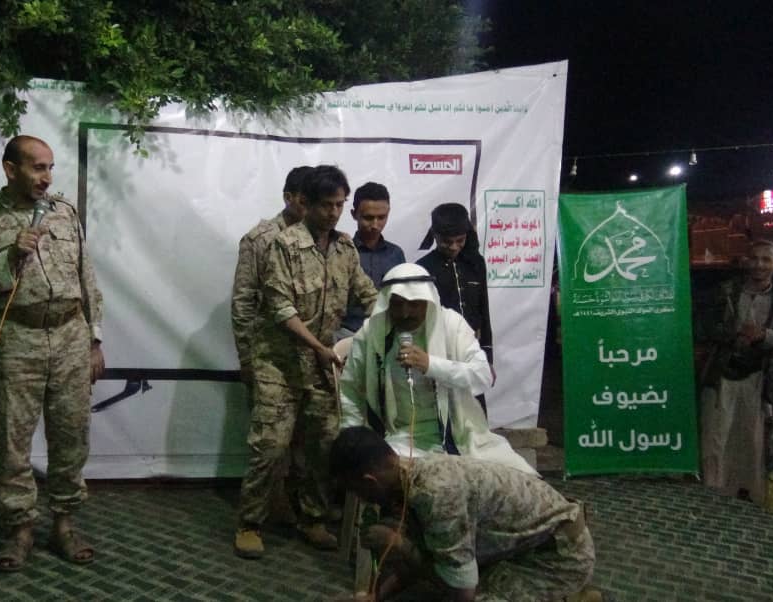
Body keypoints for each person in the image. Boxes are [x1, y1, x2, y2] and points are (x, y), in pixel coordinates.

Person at [0, 135, 105, 571]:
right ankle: (19, 528)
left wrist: (94, 339)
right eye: (38, 167)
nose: (46, 177)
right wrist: (6, 257)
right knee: (13, 438)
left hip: (71, 334)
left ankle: (64, 524)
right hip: (18, 335)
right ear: (10, 169)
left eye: (50, 168)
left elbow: (87, 277)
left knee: (71, 433)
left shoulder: (64, 212)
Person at [234, 165, 377, 558]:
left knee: (323, 443)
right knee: (270, 445)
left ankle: (312, 518)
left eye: (340, 204)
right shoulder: (282, 245)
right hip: (278, 363)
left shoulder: (345, 249)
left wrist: (396, 314)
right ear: (307, 203)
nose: (334, 212)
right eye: (327, 205)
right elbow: (280, 308)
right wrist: (318, 346)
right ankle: (250, 523)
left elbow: (367, 293)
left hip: (321, 364)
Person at [331, 426, 600, 602]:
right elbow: (427, 551)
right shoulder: (407, 476)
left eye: (357, 491)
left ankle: (572, 595)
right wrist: (377, 597)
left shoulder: (435, 494)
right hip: (522, 546)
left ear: (369, 481)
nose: (360, 499)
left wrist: (398, 544)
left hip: (559, 556)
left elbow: (462, 591)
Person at [339, 263, 534, 474]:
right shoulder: (372, 334)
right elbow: (350, 390)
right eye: (397, 304)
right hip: (399, 438)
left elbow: (482, 376)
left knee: (519, 475)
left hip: (462, 436)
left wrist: (431, 365)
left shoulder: (452, 326)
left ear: (428, 302)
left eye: (414, 304)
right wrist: (353, 442)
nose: (405, 313)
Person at [231, 165, 312, 525]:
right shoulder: (260, 239)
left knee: (307, 442)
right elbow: (243, 302)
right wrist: (247, 358)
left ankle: (299, 508)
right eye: (304, 201)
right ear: (289, 197)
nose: (310, 209)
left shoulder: (322, 239)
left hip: (312, 357)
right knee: (270, 442)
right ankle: (261, 513)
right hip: (272, 357)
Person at [700, 239, 773, 504]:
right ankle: (715, 495)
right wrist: (733, 335)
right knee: (717, 436)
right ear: (745, 261)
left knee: (753, 438)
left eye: (766, 259)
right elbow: (703, 327)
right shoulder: (723, 293)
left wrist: (766, 336)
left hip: (759, 376)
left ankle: (752, 494)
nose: (759, 265)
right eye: (754, 258)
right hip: (722, 374)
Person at [416, 203, 493, 417]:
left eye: (460, 240)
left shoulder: (475, 263)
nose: (454, 247)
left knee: (476, 416)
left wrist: (488, 359)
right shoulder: (423, 268)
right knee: (445, 414)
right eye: (447, 242)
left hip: (472, 352)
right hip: (440, 353)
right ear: (435, 236)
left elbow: (484, 312)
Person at [336, 182, 406, 340]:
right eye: (368, 218)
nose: (375, 225)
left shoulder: (396, 254)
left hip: (387, 334)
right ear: (354, 214)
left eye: (381, 217)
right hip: (346, 333)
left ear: (388, 213)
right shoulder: (340, 251)